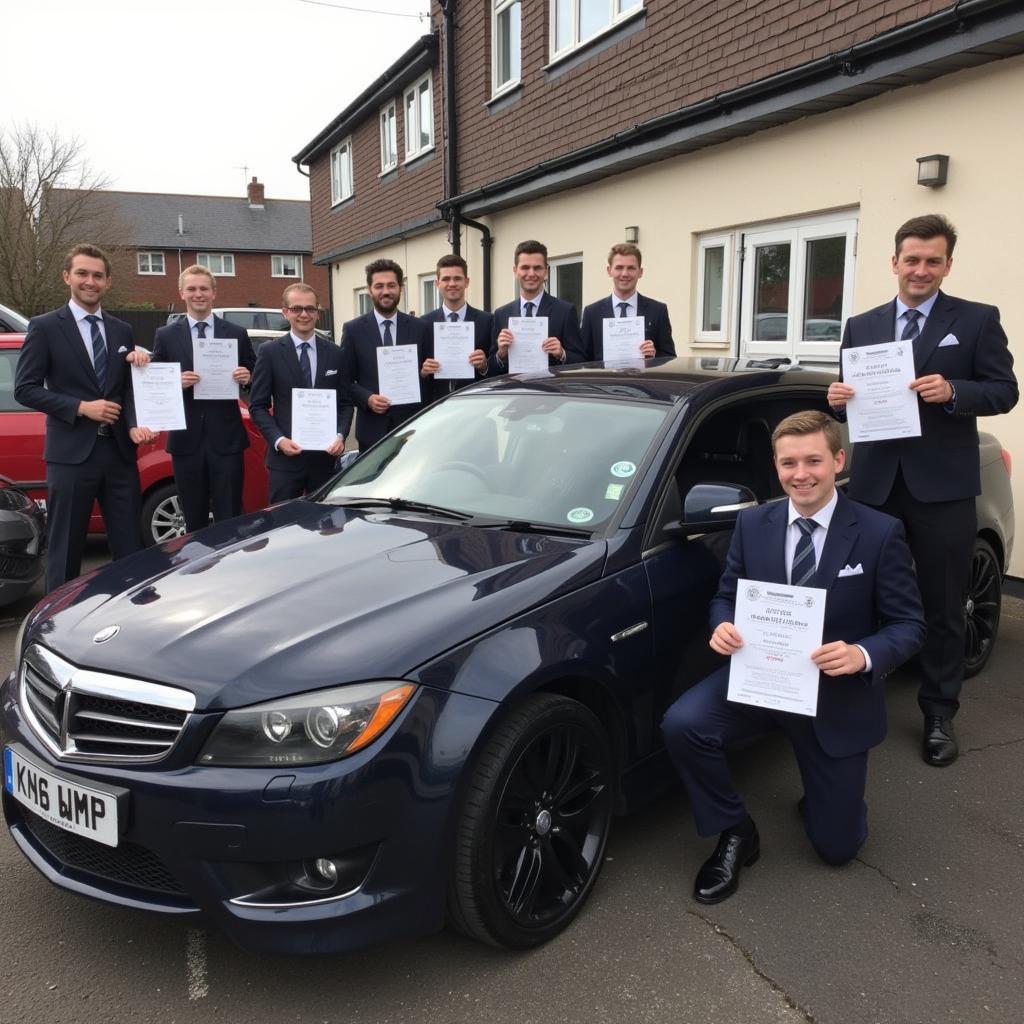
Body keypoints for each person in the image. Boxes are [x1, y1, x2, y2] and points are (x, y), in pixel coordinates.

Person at [661, 410, 924, 905]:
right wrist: (721, 625)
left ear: (838, 460)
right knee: (683, 724)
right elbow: (726, 595)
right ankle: (735, 831)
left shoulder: (878, 532)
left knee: (837, 848)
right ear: (776, 466)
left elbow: (910, 626)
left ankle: (831, 799)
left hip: (833, 694)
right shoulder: (753, 523)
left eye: (813, 461)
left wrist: (863, 654)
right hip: (762, 681)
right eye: (788, 463)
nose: (800, 474)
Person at [827, 214, 1017, 767]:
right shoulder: (862, 326)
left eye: (933, 260)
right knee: (857, 596)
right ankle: (853, 699)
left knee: (942, 602)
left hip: (943, 488)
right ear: (894, 262)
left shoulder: (978, 320)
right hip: (874, 485)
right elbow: (848, 400)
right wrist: (834, 400)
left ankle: (938, 712)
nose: (921, 270)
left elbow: (1005, 391)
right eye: (912, 259)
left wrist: (955, 390)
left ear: (947, 265)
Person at [14, 244, 155, 592]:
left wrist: (135, 421)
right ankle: (55, 628)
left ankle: (130, 621)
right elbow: (25, 388)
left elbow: (124, 391)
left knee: (130, 548)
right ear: (67, 277)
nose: (90, 281)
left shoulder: (121, 330)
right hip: (71, 456)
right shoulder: (45, 327)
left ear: (107, 282)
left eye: (97, 275)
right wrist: (81, 407)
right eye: (82, 273)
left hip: (119, 454)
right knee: (66, 550)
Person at [151, 265, 256, 532]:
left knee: (230, 515)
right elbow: (155, 385)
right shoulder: (165, 335)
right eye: (192, 289)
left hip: (227, 438)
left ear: (214, 293)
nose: (198, 294)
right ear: (182, 293)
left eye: (204, 289)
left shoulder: (235, 332)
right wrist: (176, 382)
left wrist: (248, 377)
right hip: (186, 440)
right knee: (193, 518)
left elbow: (255, 374)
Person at [249, 283, 350, 503]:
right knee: (283, 528)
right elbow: (257, 406)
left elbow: (345, 402)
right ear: (285, 312)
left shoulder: (335, 353)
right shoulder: (270, 352)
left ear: (317, 312)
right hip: (285, 462)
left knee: (325, 528)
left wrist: (341, 436)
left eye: (310, 309)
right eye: (296, 309)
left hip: (325, 460)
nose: (304, 314)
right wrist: (279, 440)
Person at [338, 258, 432, 449]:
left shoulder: (420, 327)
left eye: (391, 285)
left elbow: (428, 377)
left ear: (400, 288)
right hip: (372, 430)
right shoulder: (353, 330)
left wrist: (424, 373)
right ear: (369, 289)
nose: (386, 291)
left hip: (412, 428)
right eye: (379, 286)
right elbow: (344, 381)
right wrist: (367, 398)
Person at [489, 240, 584, 371]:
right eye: (525, 267)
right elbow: (491, 369)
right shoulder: (501, 314)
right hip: (513, 390)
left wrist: (562, 353)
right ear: (515, 271)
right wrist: (501, 354)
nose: (531, 274)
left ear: (546, 271)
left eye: (537, 268)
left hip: (551, 390)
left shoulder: (565, 311)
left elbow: (581, 360)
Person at [579, 243, 676, 361]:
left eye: (631, 268)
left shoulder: (658, 311)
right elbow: (583, 358)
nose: (625, 274)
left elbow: (670, 358)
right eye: (619, 268)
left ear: (640, 272)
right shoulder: (592, 313)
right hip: (606, 379)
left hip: (643, 379)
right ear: (609, 271)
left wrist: (654, 357)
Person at [419, 254, 493, 399]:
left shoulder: (488, 321)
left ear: (467, 282)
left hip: (476, 404)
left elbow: (497, 368)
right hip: (435, 406)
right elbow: (416, 373)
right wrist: (423, 372)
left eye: (457, 278)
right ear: (437, 283)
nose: (452, 284)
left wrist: (484, 366)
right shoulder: (423, 324)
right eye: (446, 279)